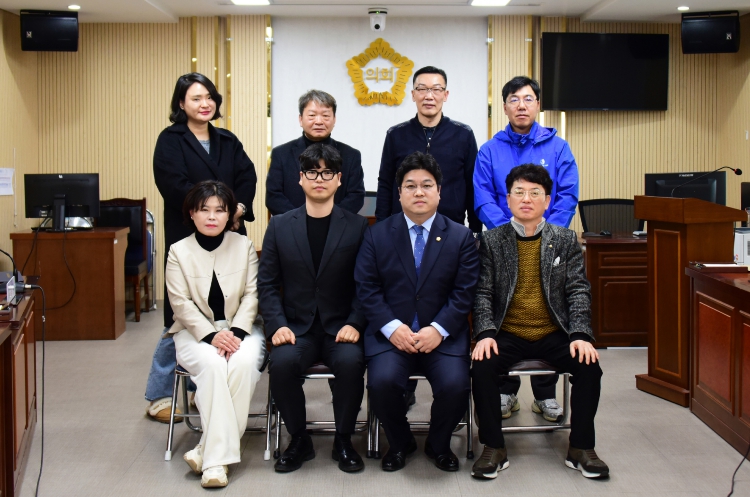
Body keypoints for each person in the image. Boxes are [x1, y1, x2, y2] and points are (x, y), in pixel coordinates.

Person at [470, 164, 608, 481]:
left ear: (547, 201)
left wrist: (580, 334)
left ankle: (581, 447)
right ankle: (493, 446)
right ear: (508, 199)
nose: (526, 199)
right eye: (519, 192)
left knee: (589, 366)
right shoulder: (492, 241)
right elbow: (483, 292)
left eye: (535, 193)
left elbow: (578, 290)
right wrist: (486, 333)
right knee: (482, 366)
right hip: (508, 332)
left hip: (553, 332)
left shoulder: (565, 239)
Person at [356, 152, 479, 473]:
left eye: (427, 185)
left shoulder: (461, 237)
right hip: (392, 335)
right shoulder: (377, 234)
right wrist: (391, 327)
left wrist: (438, 329)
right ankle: (400, 442)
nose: (419, 192)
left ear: (439, 191)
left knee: (456, 385)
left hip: (442, 335)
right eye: (410, 186)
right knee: (381, 383)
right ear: (399, 193)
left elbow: (464, 291)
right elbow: (367, 288)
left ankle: (438, 444)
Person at [146, 72, 257, 423]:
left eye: (209, 97)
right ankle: (161, 394)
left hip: (228, 228)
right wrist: (208, 211)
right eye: (196, 98)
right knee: (183, 313)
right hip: (188, 230)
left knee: (221, 302)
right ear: (182, 103)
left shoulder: (227, 139)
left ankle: (201, 389)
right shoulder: (171, 140)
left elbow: (247, 176)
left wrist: (236, 209)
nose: (204, 103)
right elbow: (172, 183)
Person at [473, 76, 580, 422]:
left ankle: (545, 395)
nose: (521, 105)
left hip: (549, 243)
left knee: (549, 308)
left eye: (528, 99)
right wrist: (507, 234)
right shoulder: (490, 150)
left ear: (538, 105)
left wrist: (548, 233)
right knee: (506, 309)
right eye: (514, 99)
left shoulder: (558, 147)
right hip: (503, 244)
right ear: (504, 107)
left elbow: (567, 195)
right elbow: (483, 197)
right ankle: (506, 391)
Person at [258, 143, 368, 473]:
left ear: (339, 180)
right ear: (300, 178)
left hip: (341, 327)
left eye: (327, 173)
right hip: (295, 327)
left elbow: (367, 283)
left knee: (351, 363)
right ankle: (298, 439)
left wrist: (355, 322)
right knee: (282, 364)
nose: (319, 179)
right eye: (312, 172)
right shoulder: (279, 225)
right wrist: (277, 324)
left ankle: (343, 440)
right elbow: (267, 283)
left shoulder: (358, 226)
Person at [166, 180, 265, 488]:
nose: (212, 216)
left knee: (243, 364)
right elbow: (180, 304)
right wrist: (211, 336)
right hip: (193, 333)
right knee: (212, 365)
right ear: (191, 213)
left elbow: (253, 294)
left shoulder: (244, 245)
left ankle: (208, 451)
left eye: (220, 210)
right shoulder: (178, 251)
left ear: (229, 214)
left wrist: (235, 331)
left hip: (241, 329)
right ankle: (215, 465)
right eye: (204, 210)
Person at [375, 66, 482, 234]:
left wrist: (475, 231)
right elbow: (385, 183)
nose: (429, 96)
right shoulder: (396, 135)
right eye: (422, 89)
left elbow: (472, 185)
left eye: (436, 89)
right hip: (403, 228)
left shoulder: (463, 134)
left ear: (445, 95)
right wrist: (381, 227)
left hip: (451, 228)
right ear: (413, 94)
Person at [266, 89, 365, 216]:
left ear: (334, 119)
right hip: (291, 225)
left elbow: (356, 196)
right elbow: (273, 196)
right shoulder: (281, 154)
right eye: (312, 115)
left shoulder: (351, 155)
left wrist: (331, 220)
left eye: (325, 116)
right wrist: (298, 220)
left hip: (338, 226)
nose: (319, 121)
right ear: (300, 119)